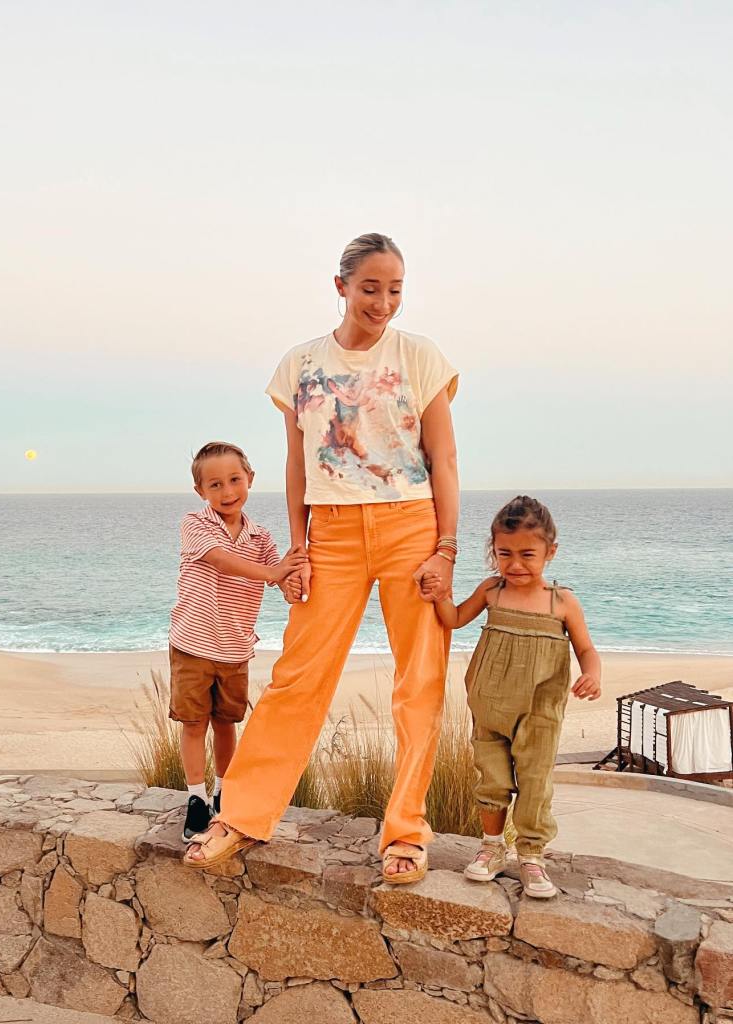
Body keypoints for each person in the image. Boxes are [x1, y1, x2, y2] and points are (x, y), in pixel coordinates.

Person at [185, 232, 459, 883]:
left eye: (394, 289)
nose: (382, 302)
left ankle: (406, 835)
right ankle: (242, 816)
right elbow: (296, 462)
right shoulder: (300, 365)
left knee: (417, 684)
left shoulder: (419, 356)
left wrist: (445, 547)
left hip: (409, 525)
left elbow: (443, 459)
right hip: (331, 532)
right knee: (296, 677)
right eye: (370, 288)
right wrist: (298, 545)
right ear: (340, 286)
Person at [422, 495, 601, 898]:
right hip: (489, 703)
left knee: (535, 781)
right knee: (492, 779)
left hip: (540, 709)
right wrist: (438, 594)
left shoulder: (562, 602)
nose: (515, 564)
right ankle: (491, 847)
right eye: (504, 553)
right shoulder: (492, 591)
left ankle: (532, 856)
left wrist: (592, 672)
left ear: (550, 552)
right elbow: (452, 619)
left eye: (527, 554)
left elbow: (586, 649)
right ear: (493, 551)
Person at [169, 441, 306, 841]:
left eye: (234, 480)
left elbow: (282, 580)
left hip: (235, 648)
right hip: (193, 643)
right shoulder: (195, 524)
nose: (227, 491)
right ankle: (195, 799)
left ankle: (223, 791)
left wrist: (296, 575)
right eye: (215, 484)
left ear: (250, 479)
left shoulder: (260, 537)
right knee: (194, 723)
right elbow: (222, 560)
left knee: (226, 723)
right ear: (201, 492)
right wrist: (273, 573)